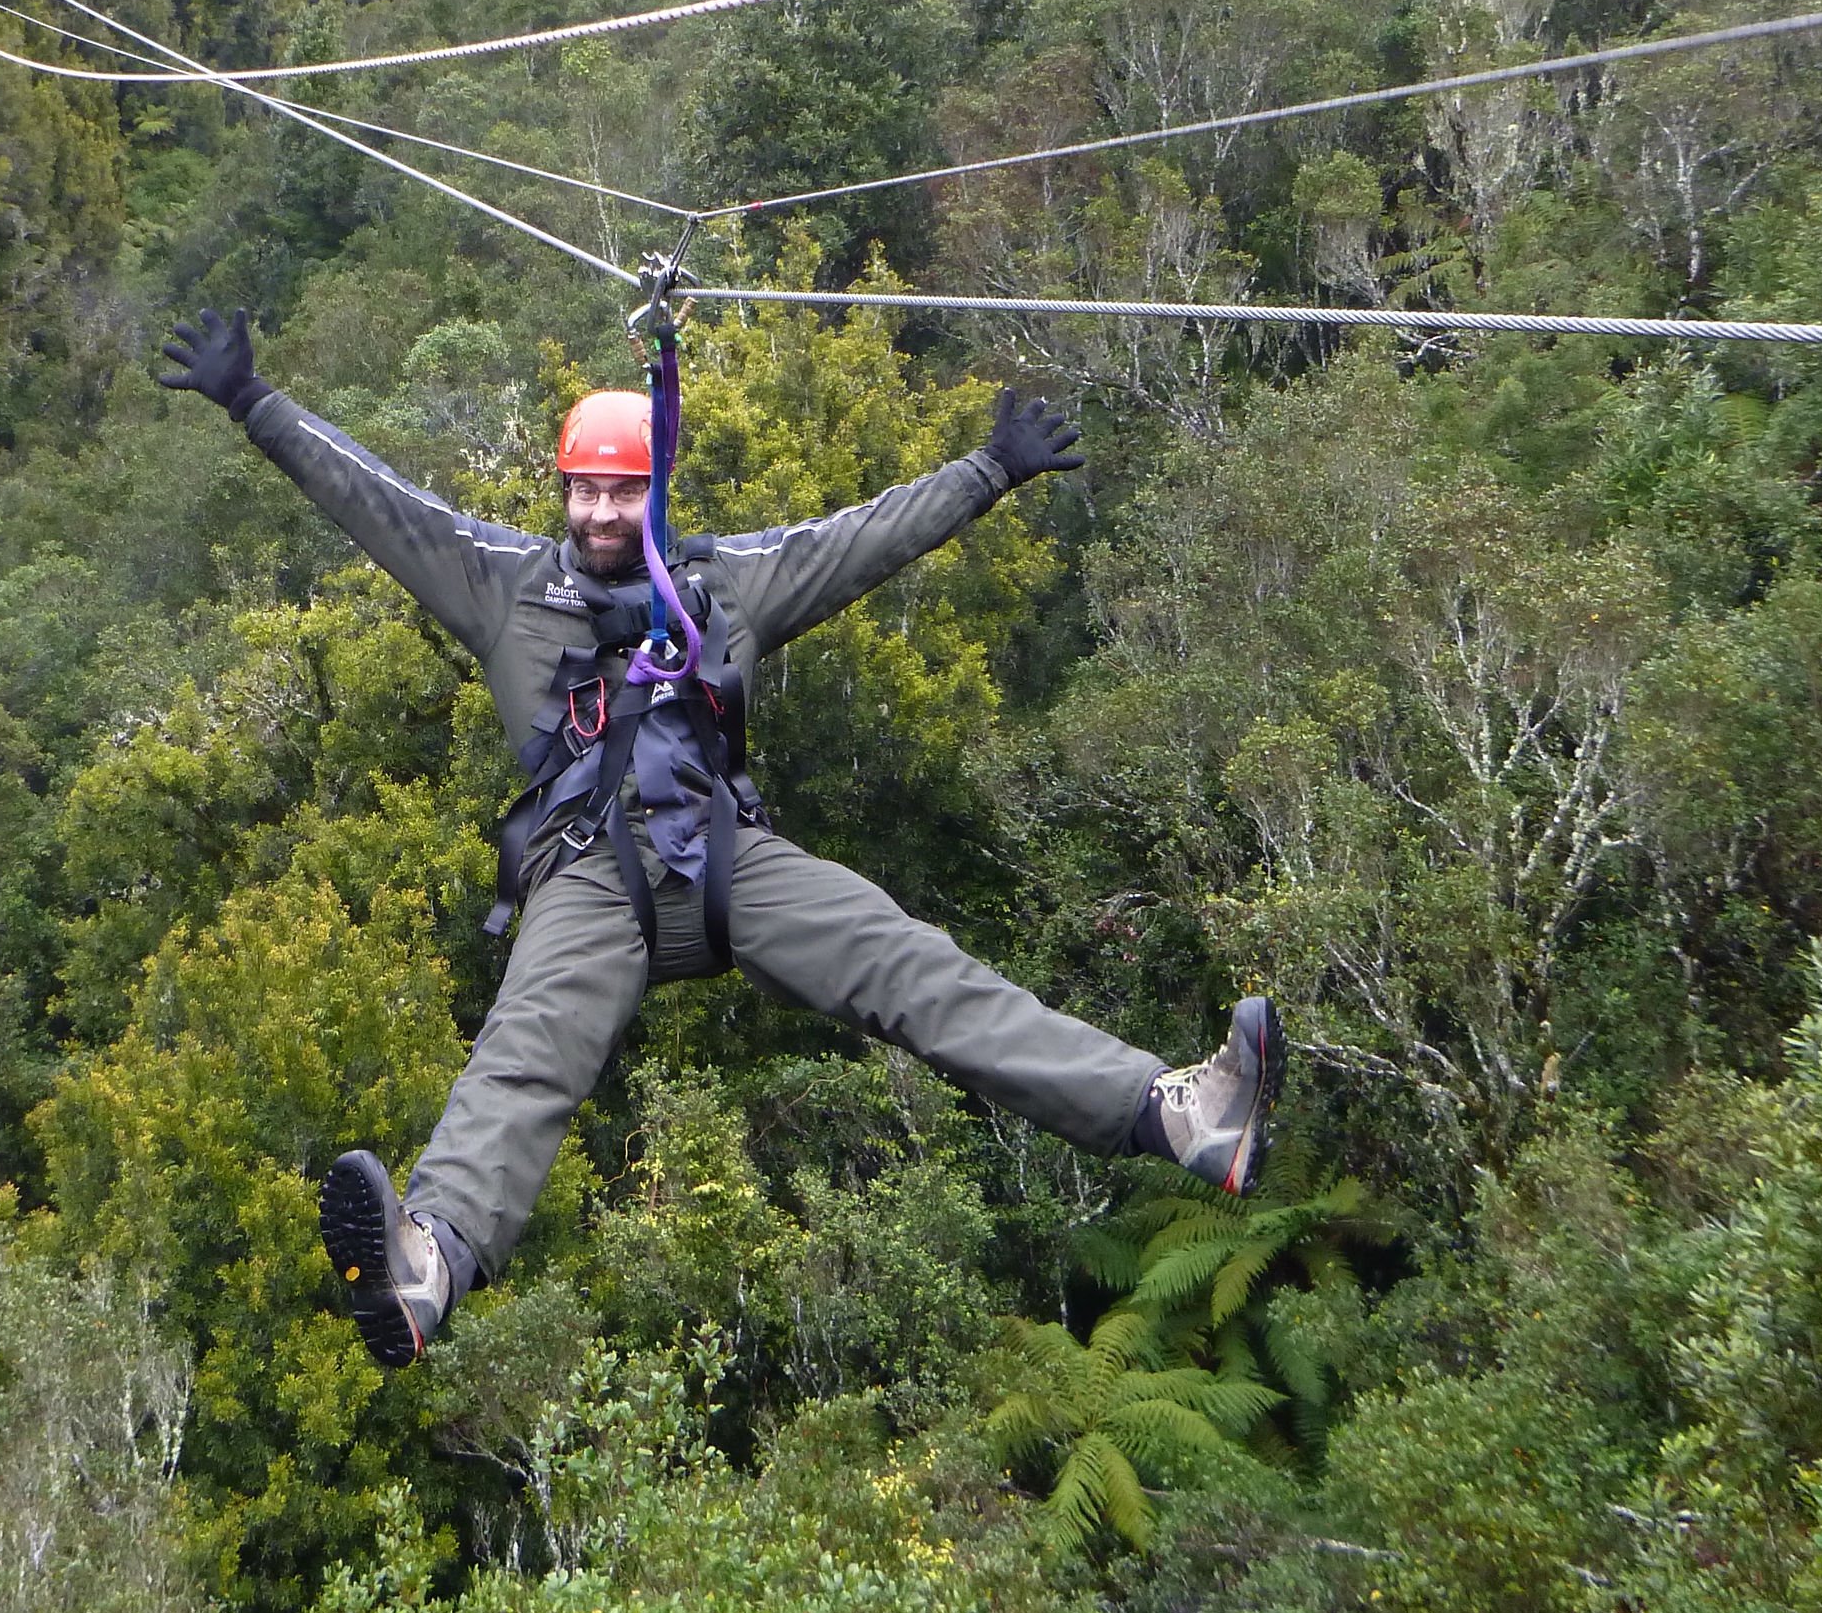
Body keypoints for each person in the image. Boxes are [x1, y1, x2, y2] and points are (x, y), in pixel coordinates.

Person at [159, 304, 1279, 1369]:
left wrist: (985, 474)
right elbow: (382, 502)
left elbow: (859, 541)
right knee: (524, 1056)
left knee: (917, 969)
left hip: (724, 856)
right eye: (585, 493)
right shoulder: (503, 584)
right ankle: (427, 1266)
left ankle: (1175, 1117)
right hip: (588, 873)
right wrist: (255, 402)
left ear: (656, 492)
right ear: (563, 491)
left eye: (624, 493)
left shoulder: (724, 586)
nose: (602, 514)